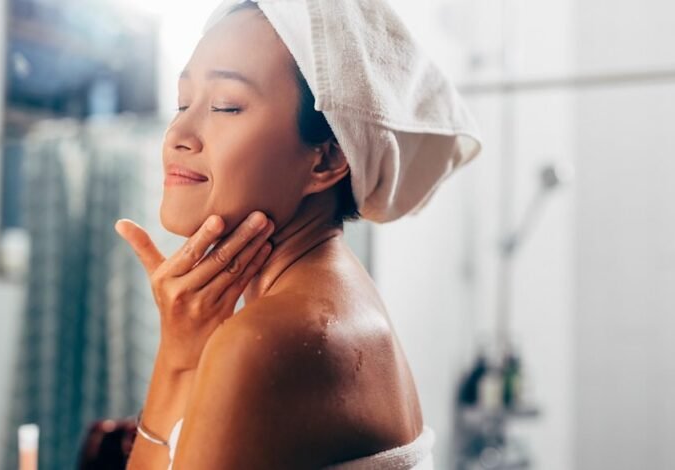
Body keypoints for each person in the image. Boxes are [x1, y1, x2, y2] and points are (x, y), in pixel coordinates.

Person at [115, 1, 481, 468]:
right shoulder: (339, 299)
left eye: (226, 106)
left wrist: (176, 363)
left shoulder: (267, 340)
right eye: (183, 103)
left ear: (327, 158)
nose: (178, 133)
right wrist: (184, 348)